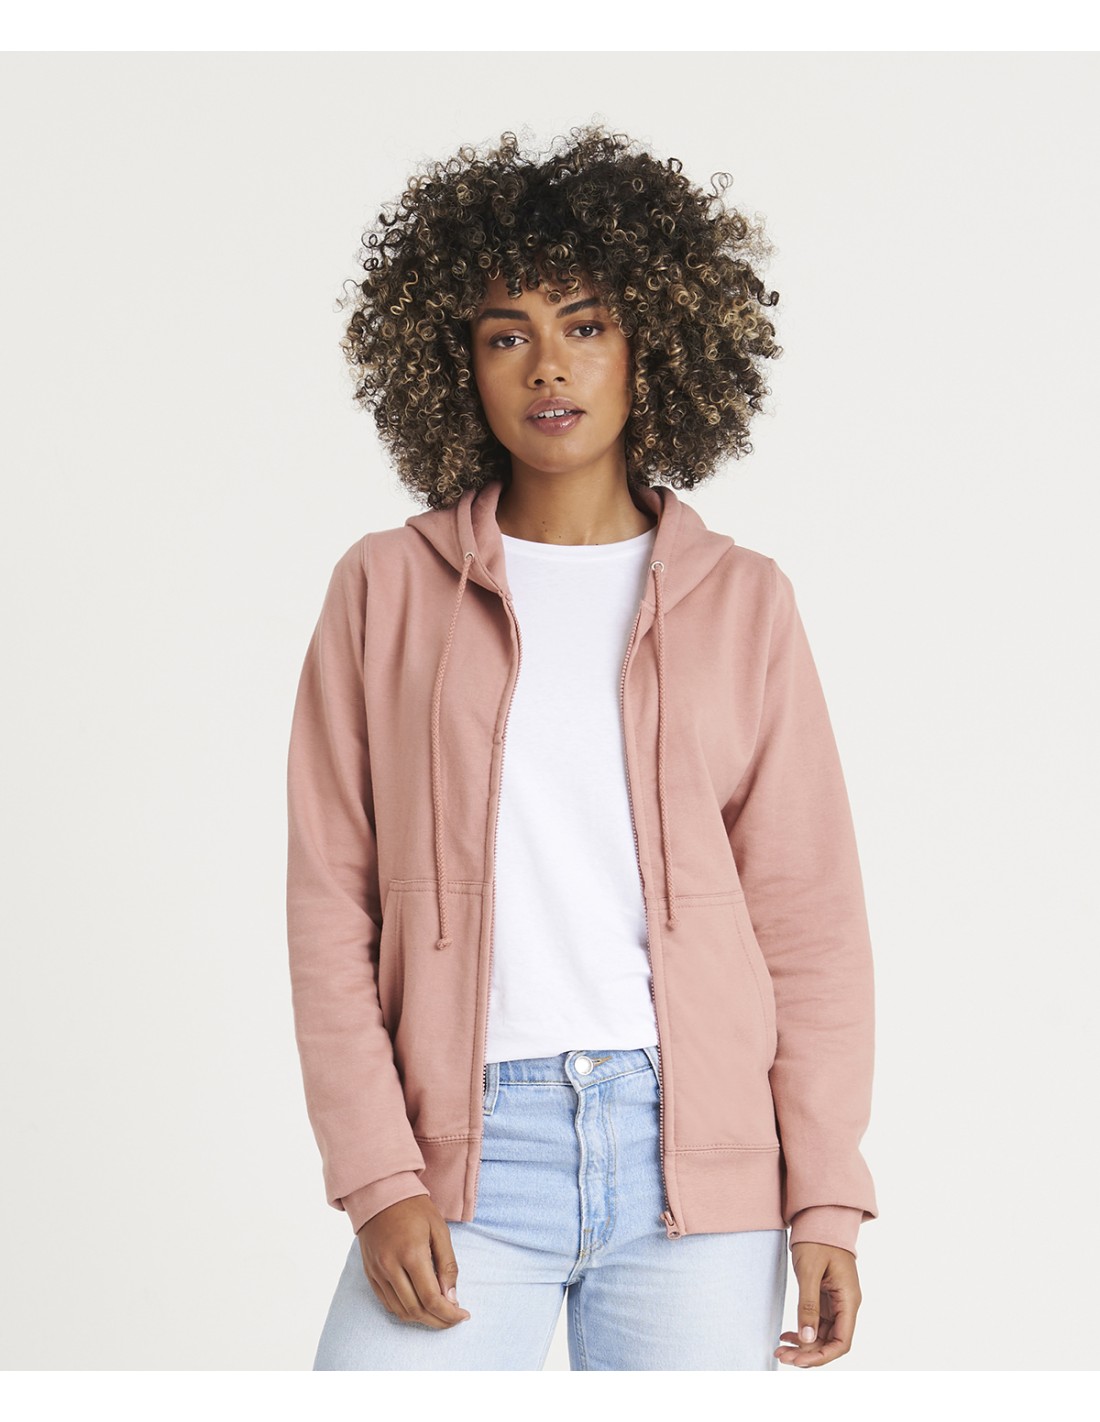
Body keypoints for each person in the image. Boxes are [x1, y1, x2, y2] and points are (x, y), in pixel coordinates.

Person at [286, 123, 878, 1371]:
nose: (547, 365)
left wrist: (825, 1191)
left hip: (696, 1160)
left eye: (586, 324)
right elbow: (331, 901)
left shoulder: (744, 601)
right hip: (463, 1152)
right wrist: (376, 1170)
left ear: (652, 345)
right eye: (505, 334)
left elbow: (807, 918)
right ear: (454, 361)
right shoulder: (385, 589)